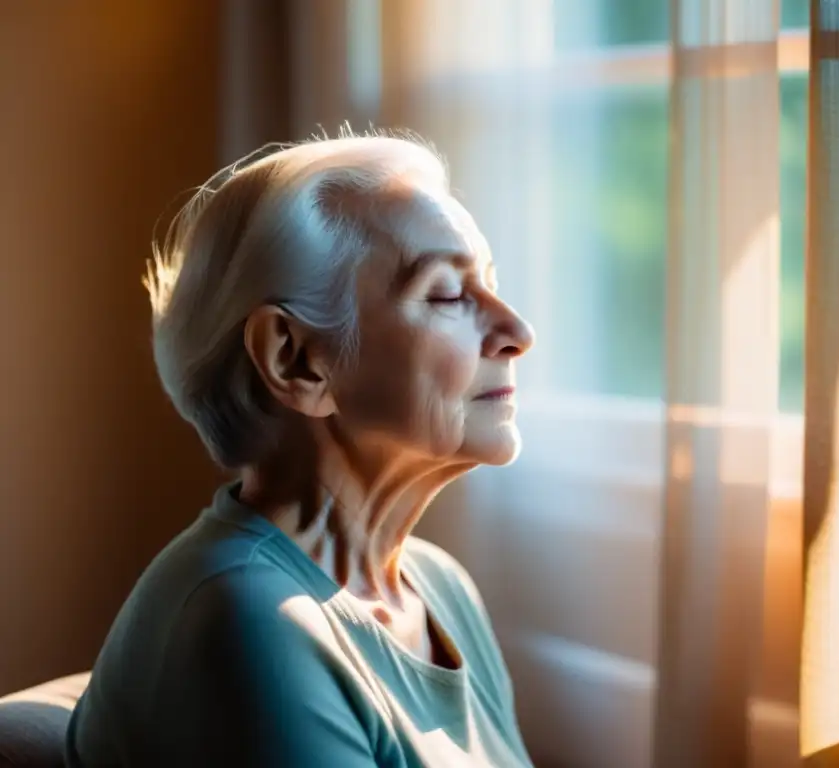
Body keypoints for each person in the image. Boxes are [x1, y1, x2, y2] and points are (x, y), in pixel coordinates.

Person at [65, 134, 536, 767]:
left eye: (491, 284)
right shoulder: (252, 620)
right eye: (448, 292)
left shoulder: (439, 587)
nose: (517, 333)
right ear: (297, 360)